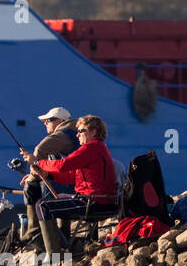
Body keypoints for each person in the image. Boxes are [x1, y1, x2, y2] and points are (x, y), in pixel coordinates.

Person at [19, 114, 117, 251]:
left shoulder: (90, 148)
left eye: (81, 131)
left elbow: (63, 165)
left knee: (43, 205)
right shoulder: (99, 148)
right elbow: (72, 176)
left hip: (93, 203)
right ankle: (64, 244)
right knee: (60, 197)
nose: (77, 136)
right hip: (100, 201)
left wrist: (36, 162)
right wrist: (48, 175)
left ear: (94, 131)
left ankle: (54, 253)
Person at [19, 107, 77, 244]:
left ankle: (36, 232)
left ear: (61, 121)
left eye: (49, 120)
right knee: (35, 181)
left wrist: (34, 173)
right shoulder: (76, 133)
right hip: (73, 183)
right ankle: (64, 237)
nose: (45, 123)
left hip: (66, 185)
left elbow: (40, 149)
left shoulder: (62, 135)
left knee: (31, 185)